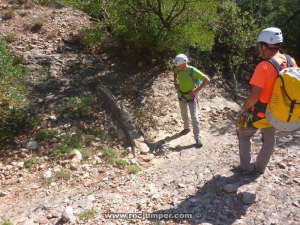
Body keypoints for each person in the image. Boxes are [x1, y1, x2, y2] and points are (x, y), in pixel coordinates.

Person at [235, 27, 298, 174]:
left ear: (264, 46)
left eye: (259, 46)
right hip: (278, 113)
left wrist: (244, 109)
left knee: (243, 134)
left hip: (261, 113)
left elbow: (254, 96)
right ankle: (260, 168)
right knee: (269, 140)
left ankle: (247, 167)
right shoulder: (290, 61)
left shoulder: (263, 66)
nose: (258, 49)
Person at [173, 54, 210, 148]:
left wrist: (196, 90)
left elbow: (206, 80)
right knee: (183, 113)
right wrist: (175, 83)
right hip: (181, 95)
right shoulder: (178, 69)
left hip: (191, 96)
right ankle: (186, 128)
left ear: (183, 64)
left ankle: (197, 138)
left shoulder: (193, 71)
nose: (177, 68)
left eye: (178, 66)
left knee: (194, 117)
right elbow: (175, 72)